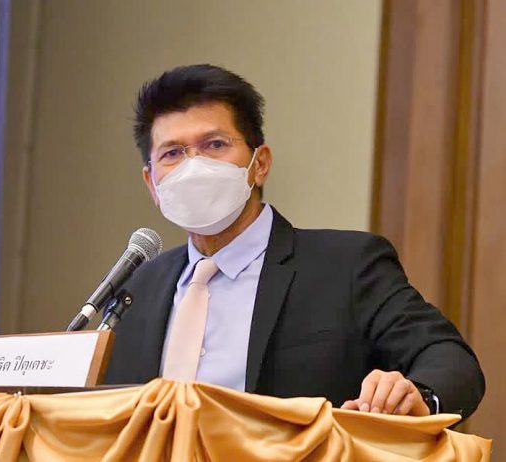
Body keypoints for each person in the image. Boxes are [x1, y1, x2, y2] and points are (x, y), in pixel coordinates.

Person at [105, 64, 484, 420]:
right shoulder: (136, 289)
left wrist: (416, 396)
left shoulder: (347, 267)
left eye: (215, 145)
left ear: (260, 164)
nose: (194, 166)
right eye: (172, 153)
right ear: (152, 183)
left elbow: (450, 360)